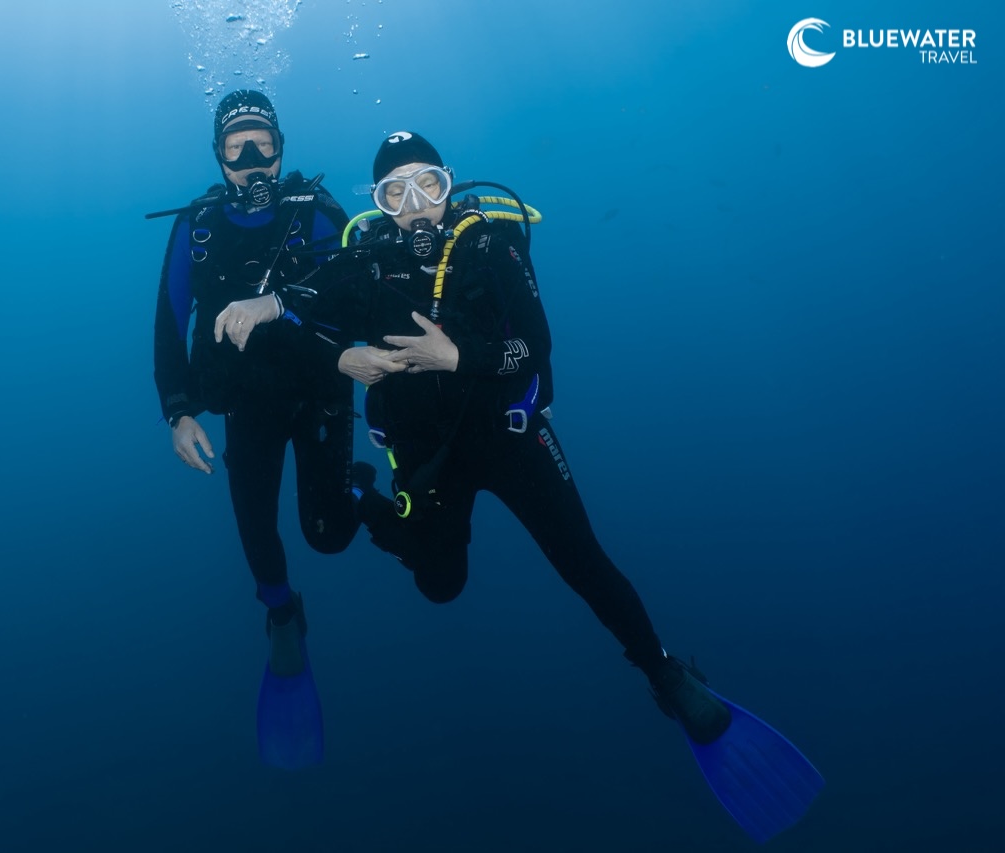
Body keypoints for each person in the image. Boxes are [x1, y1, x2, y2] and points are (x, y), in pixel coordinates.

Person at [217, 131, 823, 841]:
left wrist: (458, 356)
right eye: (395, 193)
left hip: (510, 436)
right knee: (440, 584)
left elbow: (535, 345)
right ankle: (364, 496)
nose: (416, 206)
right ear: (378, 206)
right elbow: (305, 302)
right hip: (428, 457)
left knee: (585, 562)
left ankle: (664, 674)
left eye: (428, 185)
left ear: (450, 185)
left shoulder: (490, 243)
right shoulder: (369, 259)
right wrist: (272, 308)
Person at [150, 90, 359, 770]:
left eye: (262, 144)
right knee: (255, 524)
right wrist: (177, 410)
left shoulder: (315, 213)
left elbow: (358, 294)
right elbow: (167, 321)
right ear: (218, 157)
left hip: (320, 396)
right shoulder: (198, 227)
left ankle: (358, 488)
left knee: (328, 535)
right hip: (249, 405)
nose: (250, 160)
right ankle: (281, 614)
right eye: (235, 147)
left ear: (281, 149)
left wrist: (279, 304)